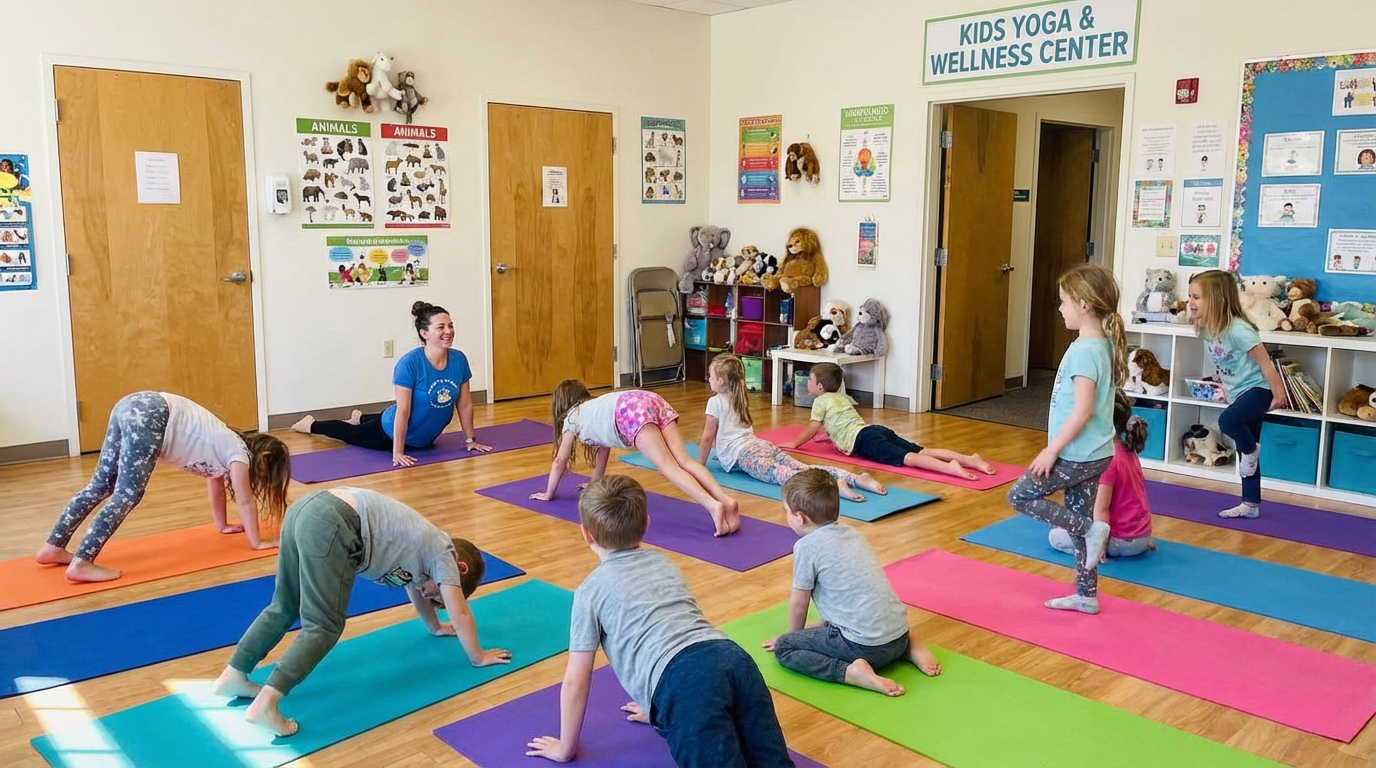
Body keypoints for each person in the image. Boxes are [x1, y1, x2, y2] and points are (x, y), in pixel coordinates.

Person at [525, 475, 794, 767]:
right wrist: (657, 708)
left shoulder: (590, 591)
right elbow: (670, 625)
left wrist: (566, 748)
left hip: (685, 684)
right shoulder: (664, 563)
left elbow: (577, 679)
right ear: (647, 525)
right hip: (733, 659)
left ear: (586, 534)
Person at [212, 487, 507, 736]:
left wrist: (434, 626)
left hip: (305, 510)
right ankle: (266, 704)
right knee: (324, 626)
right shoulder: (445, 554)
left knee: (284, 606)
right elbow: (461, 613)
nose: (430, 596)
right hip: (332, 521)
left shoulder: (421, 554)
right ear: (459, 570)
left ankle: (234, 674)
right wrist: (478, 656)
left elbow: (414, 591)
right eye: (438, 593)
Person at [36, 391, 290, 582]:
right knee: (128, 493)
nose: (263, 480)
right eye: (268, 474)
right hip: (153, 412)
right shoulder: (238, 453)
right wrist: (256, 543)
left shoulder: (222, 447)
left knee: (101, 484)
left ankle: (53, 548)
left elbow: (215, 486)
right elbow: (245, 502)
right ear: (265, 457)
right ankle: (82, 563)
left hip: (131, 404)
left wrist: (222, 525)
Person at [1006, 263, 1127, 615]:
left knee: (1020, 496)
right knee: (1076, 525)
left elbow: (1083, 410)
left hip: (1076, 454)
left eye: (1063, 302)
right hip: (1097, 454)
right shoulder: (1099, 345)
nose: (1059, 309)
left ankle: (1092, 530)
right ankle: (1086, 595)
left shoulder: (1085, 352)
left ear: (1084, 304)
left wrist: (1050, 451)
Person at [762, 469, 941, 696]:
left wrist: (792, 638)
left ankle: (851, 672)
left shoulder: (806, 547)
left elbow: (799, 604)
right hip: (897, 634)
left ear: (800, 517)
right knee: (844, 617)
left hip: (866, 648)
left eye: (785, 511)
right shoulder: (852, 532)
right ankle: (909, 646)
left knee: (785, 649)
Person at [292, 301, 493, 466]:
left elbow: (464, 404)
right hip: (388, 431)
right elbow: (403, 410)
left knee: (380, 417)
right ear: (424, 333)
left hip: (425, 439)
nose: (448, 331)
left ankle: (361, 417)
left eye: (450, 325)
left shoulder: (459, 360)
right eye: (441, 327)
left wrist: (470, 440)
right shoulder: (410, 364)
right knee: (349, 434)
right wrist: (397, 452)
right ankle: (311, 424)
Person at [531, 380, 740, 536]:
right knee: (684, 461)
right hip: (650, 399)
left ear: (561, 406)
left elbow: (560, 460)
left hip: (631, 409)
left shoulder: (572, 417)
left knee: (669, 467)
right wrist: (594, 483)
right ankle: (726, 501)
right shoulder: (596, 407)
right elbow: (604, 450)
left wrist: (549, 493)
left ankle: (713, 506)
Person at [700, 354, 886, 502]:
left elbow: (708, 436)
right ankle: (856, 478)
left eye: (711, 376)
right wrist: (723, 450)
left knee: (789, 476)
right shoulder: (740, 395)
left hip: (746, 454)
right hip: (763, 446)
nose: (708, 379)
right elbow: (729, 430)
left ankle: (834, 486)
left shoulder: (714, 402)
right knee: (804, 468)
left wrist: (699, 465)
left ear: (721, 381)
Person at [780, 362, 993, 481]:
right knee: (922, 450)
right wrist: (831, 436)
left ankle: (950, 469)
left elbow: (813, 427)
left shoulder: (820, 401)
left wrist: (795, 444)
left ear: (820, 387)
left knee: (908, 458)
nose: (806, 382)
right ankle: (970, 460)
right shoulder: (841, 397)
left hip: (865, 440)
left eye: (809, 379)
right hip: (874, 430)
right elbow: (841, 420)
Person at [1186, 270, 1288, 519]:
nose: (1191, 302)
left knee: (1229, 424)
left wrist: (1278, 393)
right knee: (1247, 448)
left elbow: (1265, 364)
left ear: (1218, 299)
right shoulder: (1207, 328)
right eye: (1190, 296)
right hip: (1239, 392)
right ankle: (1250, 504)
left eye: (1197, 297)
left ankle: (1251, 452)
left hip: (1259, 390)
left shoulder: (1239, 330)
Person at [1048, 391, 1155, 560]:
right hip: (1141, 535)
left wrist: (1099, 547)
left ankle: (1095, 548)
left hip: (1122, 542)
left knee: (1055, 537)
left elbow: (1101, 509)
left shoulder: (1107, 459)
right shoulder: (1127, 449)